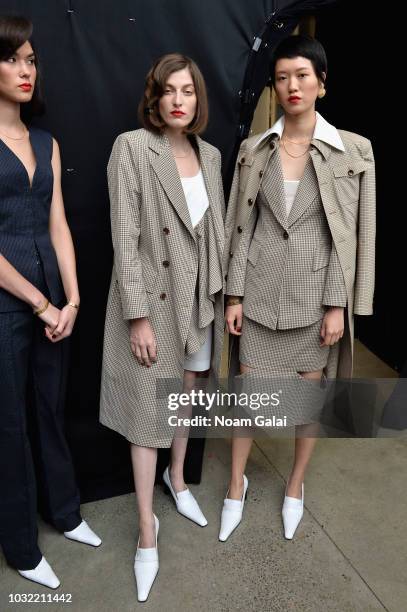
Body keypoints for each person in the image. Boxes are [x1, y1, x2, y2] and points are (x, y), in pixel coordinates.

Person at [221, 34, 375, 542]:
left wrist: (339, 303)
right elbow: (241, 226)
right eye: (283, 77)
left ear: (321, 84)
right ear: (275, 86)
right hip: (259, 295)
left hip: (316, 300)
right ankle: (236, 485)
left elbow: (352, 235)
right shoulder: (253, 149)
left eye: (302, 76)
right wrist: (235, 294)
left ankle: (295, 486)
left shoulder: (353, 151)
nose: (292, 86)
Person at [100, 53, 225, 601]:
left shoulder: (212, 155)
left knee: (188, 395)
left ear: (198, 99)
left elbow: (215, 232)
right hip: (153, 301)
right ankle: (146, 529)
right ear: (155, 98)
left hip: (198, 304)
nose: (179, 100)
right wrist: (138, 317)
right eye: (169, 90)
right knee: (149, 410)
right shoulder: (132, 147)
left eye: (189, 91)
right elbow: (124, 237)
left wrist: (224, 298)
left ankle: (178, 480)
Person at [0, 15, 101, 589]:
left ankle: (64, 512)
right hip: (11, 308)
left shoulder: (46, 142)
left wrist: (75, 299)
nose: (25, 70)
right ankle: (20, 546)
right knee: (11, 425)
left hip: (56, 305)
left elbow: (59, 224)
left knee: (51, 411)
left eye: (32, 60)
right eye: (13, 58)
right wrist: (39, 302)